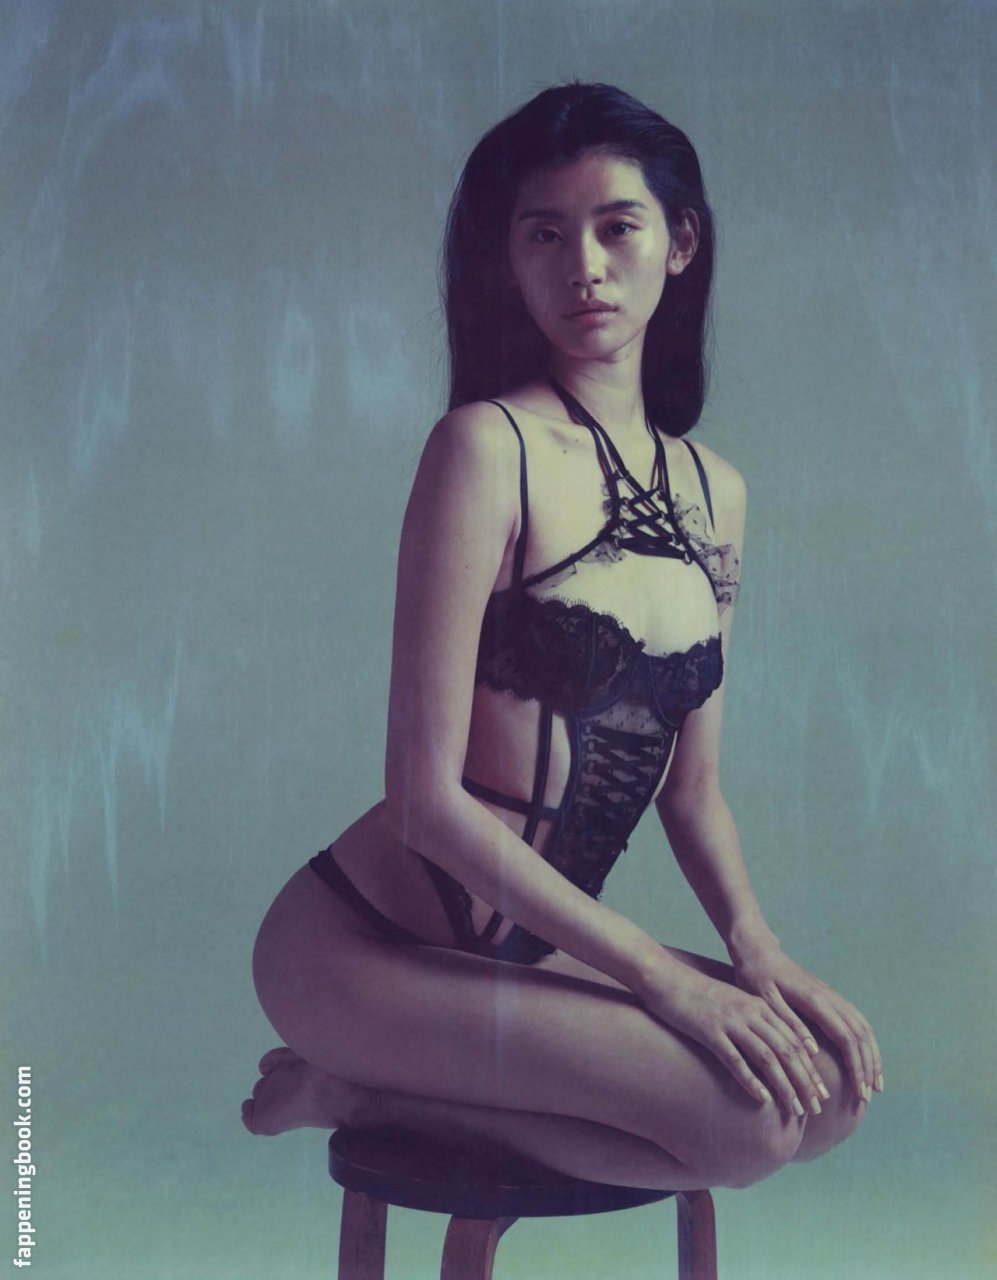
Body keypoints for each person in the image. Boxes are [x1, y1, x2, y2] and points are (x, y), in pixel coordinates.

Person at [241, 81, 883, 1192]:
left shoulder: (715, 494)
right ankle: (354, 1087)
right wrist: (658, 979)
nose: (583, 266)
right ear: (510, 259)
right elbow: (421, 800)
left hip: (521, 953)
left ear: (680, 243)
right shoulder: (484, 449)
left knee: (824, 1092)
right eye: (544, 235)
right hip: (358, 952)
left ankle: (387, 1086)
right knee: (748, 1130)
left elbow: (692, 791)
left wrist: (754, 950)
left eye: (616, 227)